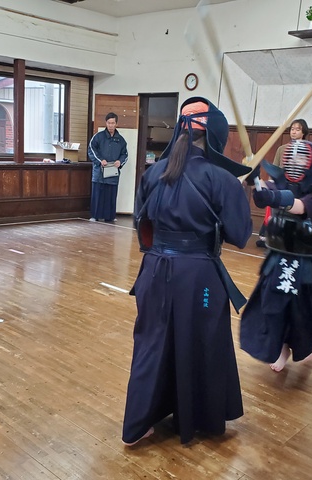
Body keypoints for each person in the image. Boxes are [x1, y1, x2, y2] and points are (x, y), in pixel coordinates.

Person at [122, 97, 253, 446]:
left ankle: (138, 424)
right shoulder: (221, 179)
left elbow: (141, 224)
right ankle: (198, 419)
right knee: (202, 343)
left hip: (153, 272)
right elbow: (240, 235)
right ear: (215, 136)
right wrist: (242, 191)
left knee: (151, 344)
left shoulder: (153, 173)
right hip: (199, 280)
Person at [241, 139, 312, 372]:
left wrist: (273, 195)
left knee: (302, 309)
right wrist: (254, 179)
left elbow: (299, 206)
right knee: (273, 303)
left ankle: (304, 342)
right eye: (291, 157)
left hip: (306, 259)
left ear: (311, 162)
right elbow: (264, 195)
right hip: (280, 254)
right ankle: (282, 347)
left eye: (301, 157)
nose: (295, 161)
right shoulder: (280, 182)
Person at [256, 119, 308, 248]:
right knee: (277, 216)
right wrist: (270, 187)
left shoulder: (308, 150)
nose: (294, 132)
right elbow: (274, 169)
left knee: (293, 218)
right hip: (281, 187)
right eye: (292, 129)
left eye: (297, 129)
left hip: (298, 190)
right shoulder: (282, 149)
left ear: (303, 132)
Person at [87, 112, 128, 223]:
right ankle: (95, 216)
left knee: (111, 195)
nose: (110, 125)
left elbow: (125, 154)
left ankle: (110, 216)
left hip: (113, 173)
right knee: (97, 195)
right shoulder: (98, 137)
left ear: (116, 124)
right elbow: (91, 150)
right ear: (106, 123)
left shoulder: (121, 140)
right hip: (99, 173)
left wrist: (120, 162)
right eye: (109, 123)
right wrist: (100, 160)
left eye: (113, 123)